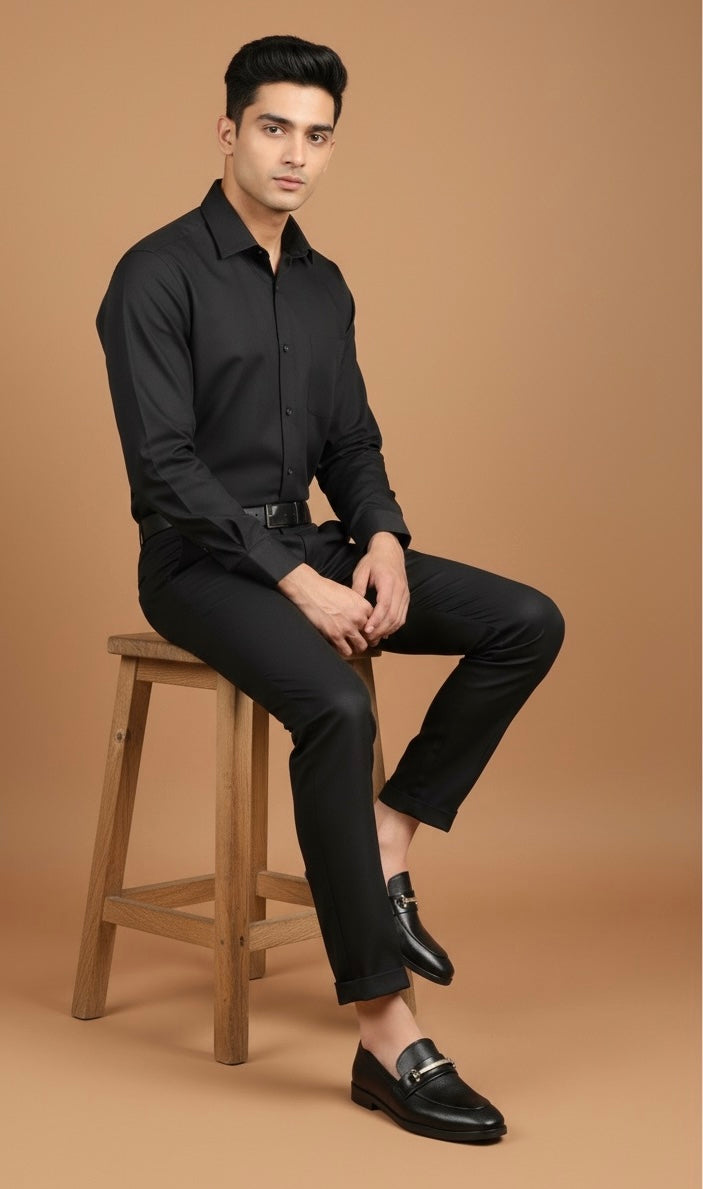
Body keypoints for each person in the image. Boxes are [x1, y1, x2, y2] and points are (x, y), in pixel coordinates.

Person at [95, 33, 565, 1143]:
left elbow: (350, 440)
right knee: (338, 707)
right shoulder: (154, 274)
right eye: (274, 128)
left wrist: (384, 539)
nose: (294, 155)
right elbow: (165, 469)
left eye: (316, 135)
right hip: (197, 564)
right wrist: (299, 586)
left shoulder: (323, 284)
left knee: (524, 620)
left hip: (312, 540)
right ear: (228, 132)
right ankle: (385, 1034)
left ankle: (390, 840)